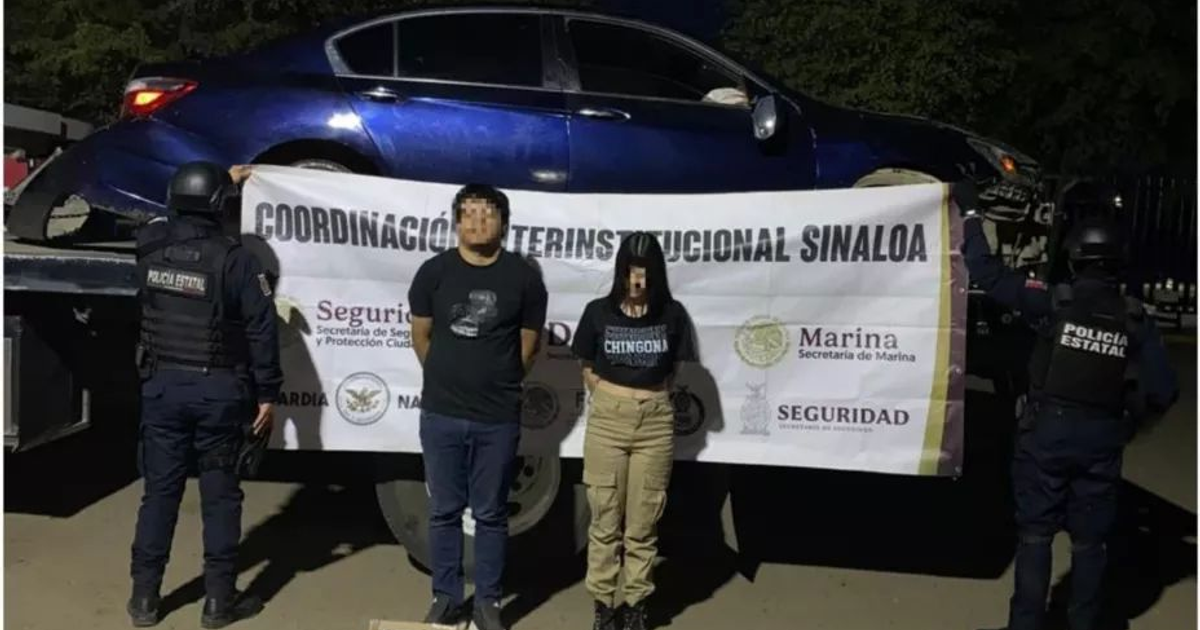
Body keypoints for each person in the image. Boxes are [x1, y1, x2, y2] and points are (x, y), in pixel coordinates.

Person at [958, 184, 1179, 630]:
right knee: (1089, 545)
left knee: (1035, 537)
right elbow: (1163, 390)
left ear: (1075, 258)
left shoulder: (1052, 300)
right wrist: (1129, 425)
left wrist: (971, 217)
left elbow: (987, 274)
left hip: (1046, 436)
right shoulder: (1135, 318)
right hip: (1100, 439)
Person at [128, 161, 282, 628]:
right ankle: (218, 601)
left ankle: (144, 598)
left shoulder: (149, 245)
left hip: (162, 389)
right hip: (219, 394)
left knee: (159, 494)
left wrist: (216, 184)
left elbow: (161, 220)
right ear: (221, 206)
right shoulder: (238, 261)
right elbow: (262, 331)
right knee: (220, 498)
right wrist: (268, 393)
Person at [408, 183, 548, 630]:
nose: (478, 221)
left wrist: (496, 382)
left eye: (488, 213)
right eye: (468, 213)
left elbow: (528, 348)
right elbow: (421, 336)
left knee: (490, 515)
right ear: (456, 222)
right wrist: (449, 376)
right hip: (441, 414)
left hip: (497, 418)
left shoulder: (524, 279)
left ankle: (489, 602)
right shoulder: (433, 272)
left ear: (503, 223)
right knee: (443, 511)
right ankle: (446, 597)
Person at [571, 232, 697, 630]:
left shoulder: (672, 314)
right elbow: (586, 363)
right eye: (630, 271)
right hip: (608, 421)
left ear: (656, 274)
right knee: (605, 520)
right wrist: (611, 395)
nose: (637, 280)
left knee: (643, 524)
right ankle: (604, 607)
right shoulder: (598, 312)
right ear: (620, 272)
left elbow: (676, 368)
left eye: (644, 272)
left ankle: (636, 605)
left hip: (654, 424)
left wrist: (650, 397)